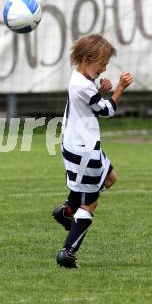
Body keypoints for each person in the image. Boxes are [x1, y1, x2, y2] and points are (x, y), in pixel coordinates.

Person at [52, 34, 133, 268]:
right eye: (103, 64)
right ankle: (67, 252)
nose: (105, 68)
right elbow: (106, 110)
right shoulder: (82, 86)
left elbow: (91, 93)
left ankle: (68, 210)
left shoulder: (79, 77)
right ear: (88, 58)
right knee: (90, 203)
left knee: (110, 178)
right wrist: (119, 88)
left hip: (81, 146)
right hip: (84, 151)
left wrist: (101, 86)